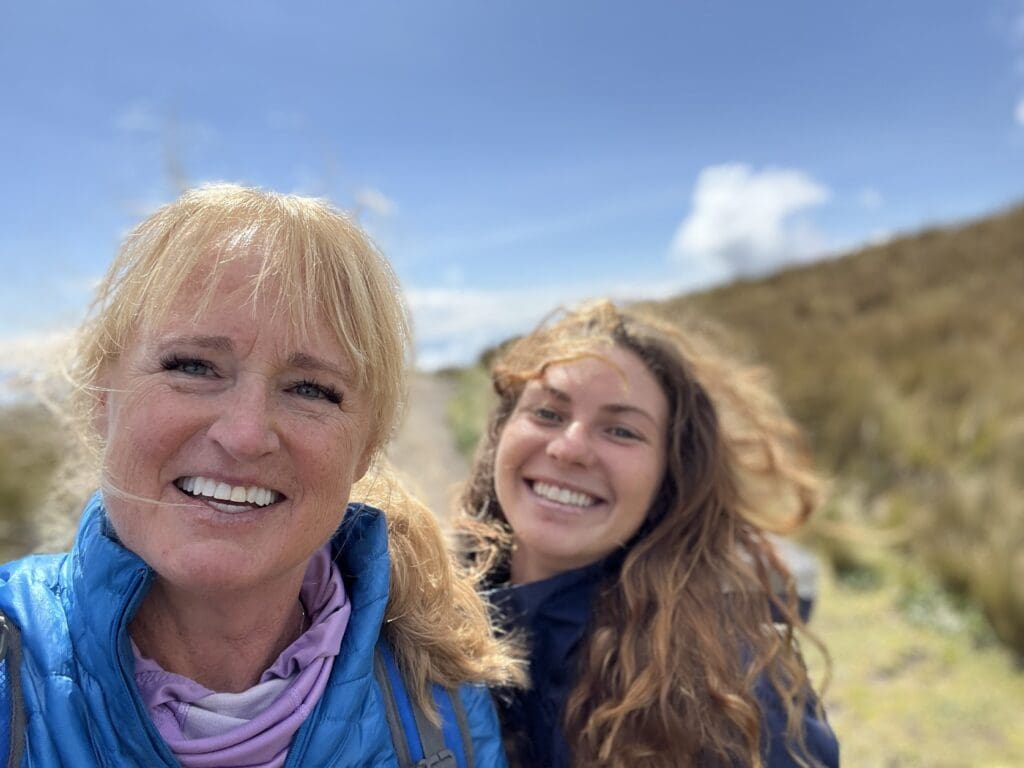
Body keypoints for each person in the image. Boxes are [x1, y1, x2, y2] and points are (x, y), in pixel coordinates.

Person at [0, 184, 522, 767]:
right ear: (103, 397)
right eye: (193, 366)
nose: (246, 434)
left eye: (310, 390)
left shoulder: (439, 694)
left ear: (365, 450)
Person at [456, 301, 840, 768]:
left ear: (668, 478)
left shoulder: (734, 688)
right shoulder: (407, 616)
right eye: (548, 413)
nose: (570, 447)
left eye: (621, 430)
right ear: (501, 434)